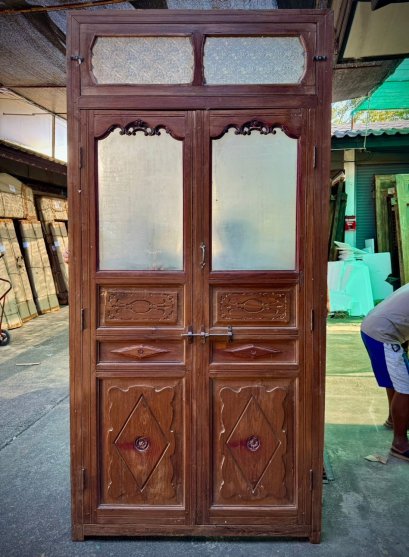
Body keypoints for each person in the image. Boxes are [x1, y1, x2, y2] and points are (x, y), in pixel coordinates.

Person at [361, 283, 409, 462]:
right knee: (406, 388)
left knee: (397, 381)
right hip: (383, 334)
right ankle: (400, 444)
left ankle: (393, 419)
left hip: (374, 328)